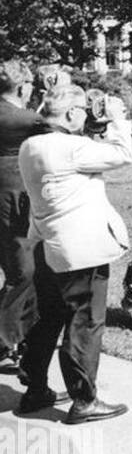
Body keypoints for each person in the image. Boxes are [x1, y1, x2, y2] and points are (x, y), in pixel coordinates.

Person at [16, 84, 132, 422]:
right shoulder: (72, 148)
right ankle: (84, 399)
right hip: (82, 251)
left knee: (48, 319)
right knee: (86, 320)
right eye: (83, 109)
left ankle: (35, 388)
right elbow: (123, 154)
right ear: (69, 114)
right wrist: (117, 118)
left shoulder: (30, 146)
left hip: (47, 245)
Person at [0, 61, 46, 365]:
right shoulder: (25, 119)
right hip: (14, 200)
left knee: (12, 269)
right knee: (23, 272)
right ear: (23, 86)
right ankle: (9, 341)